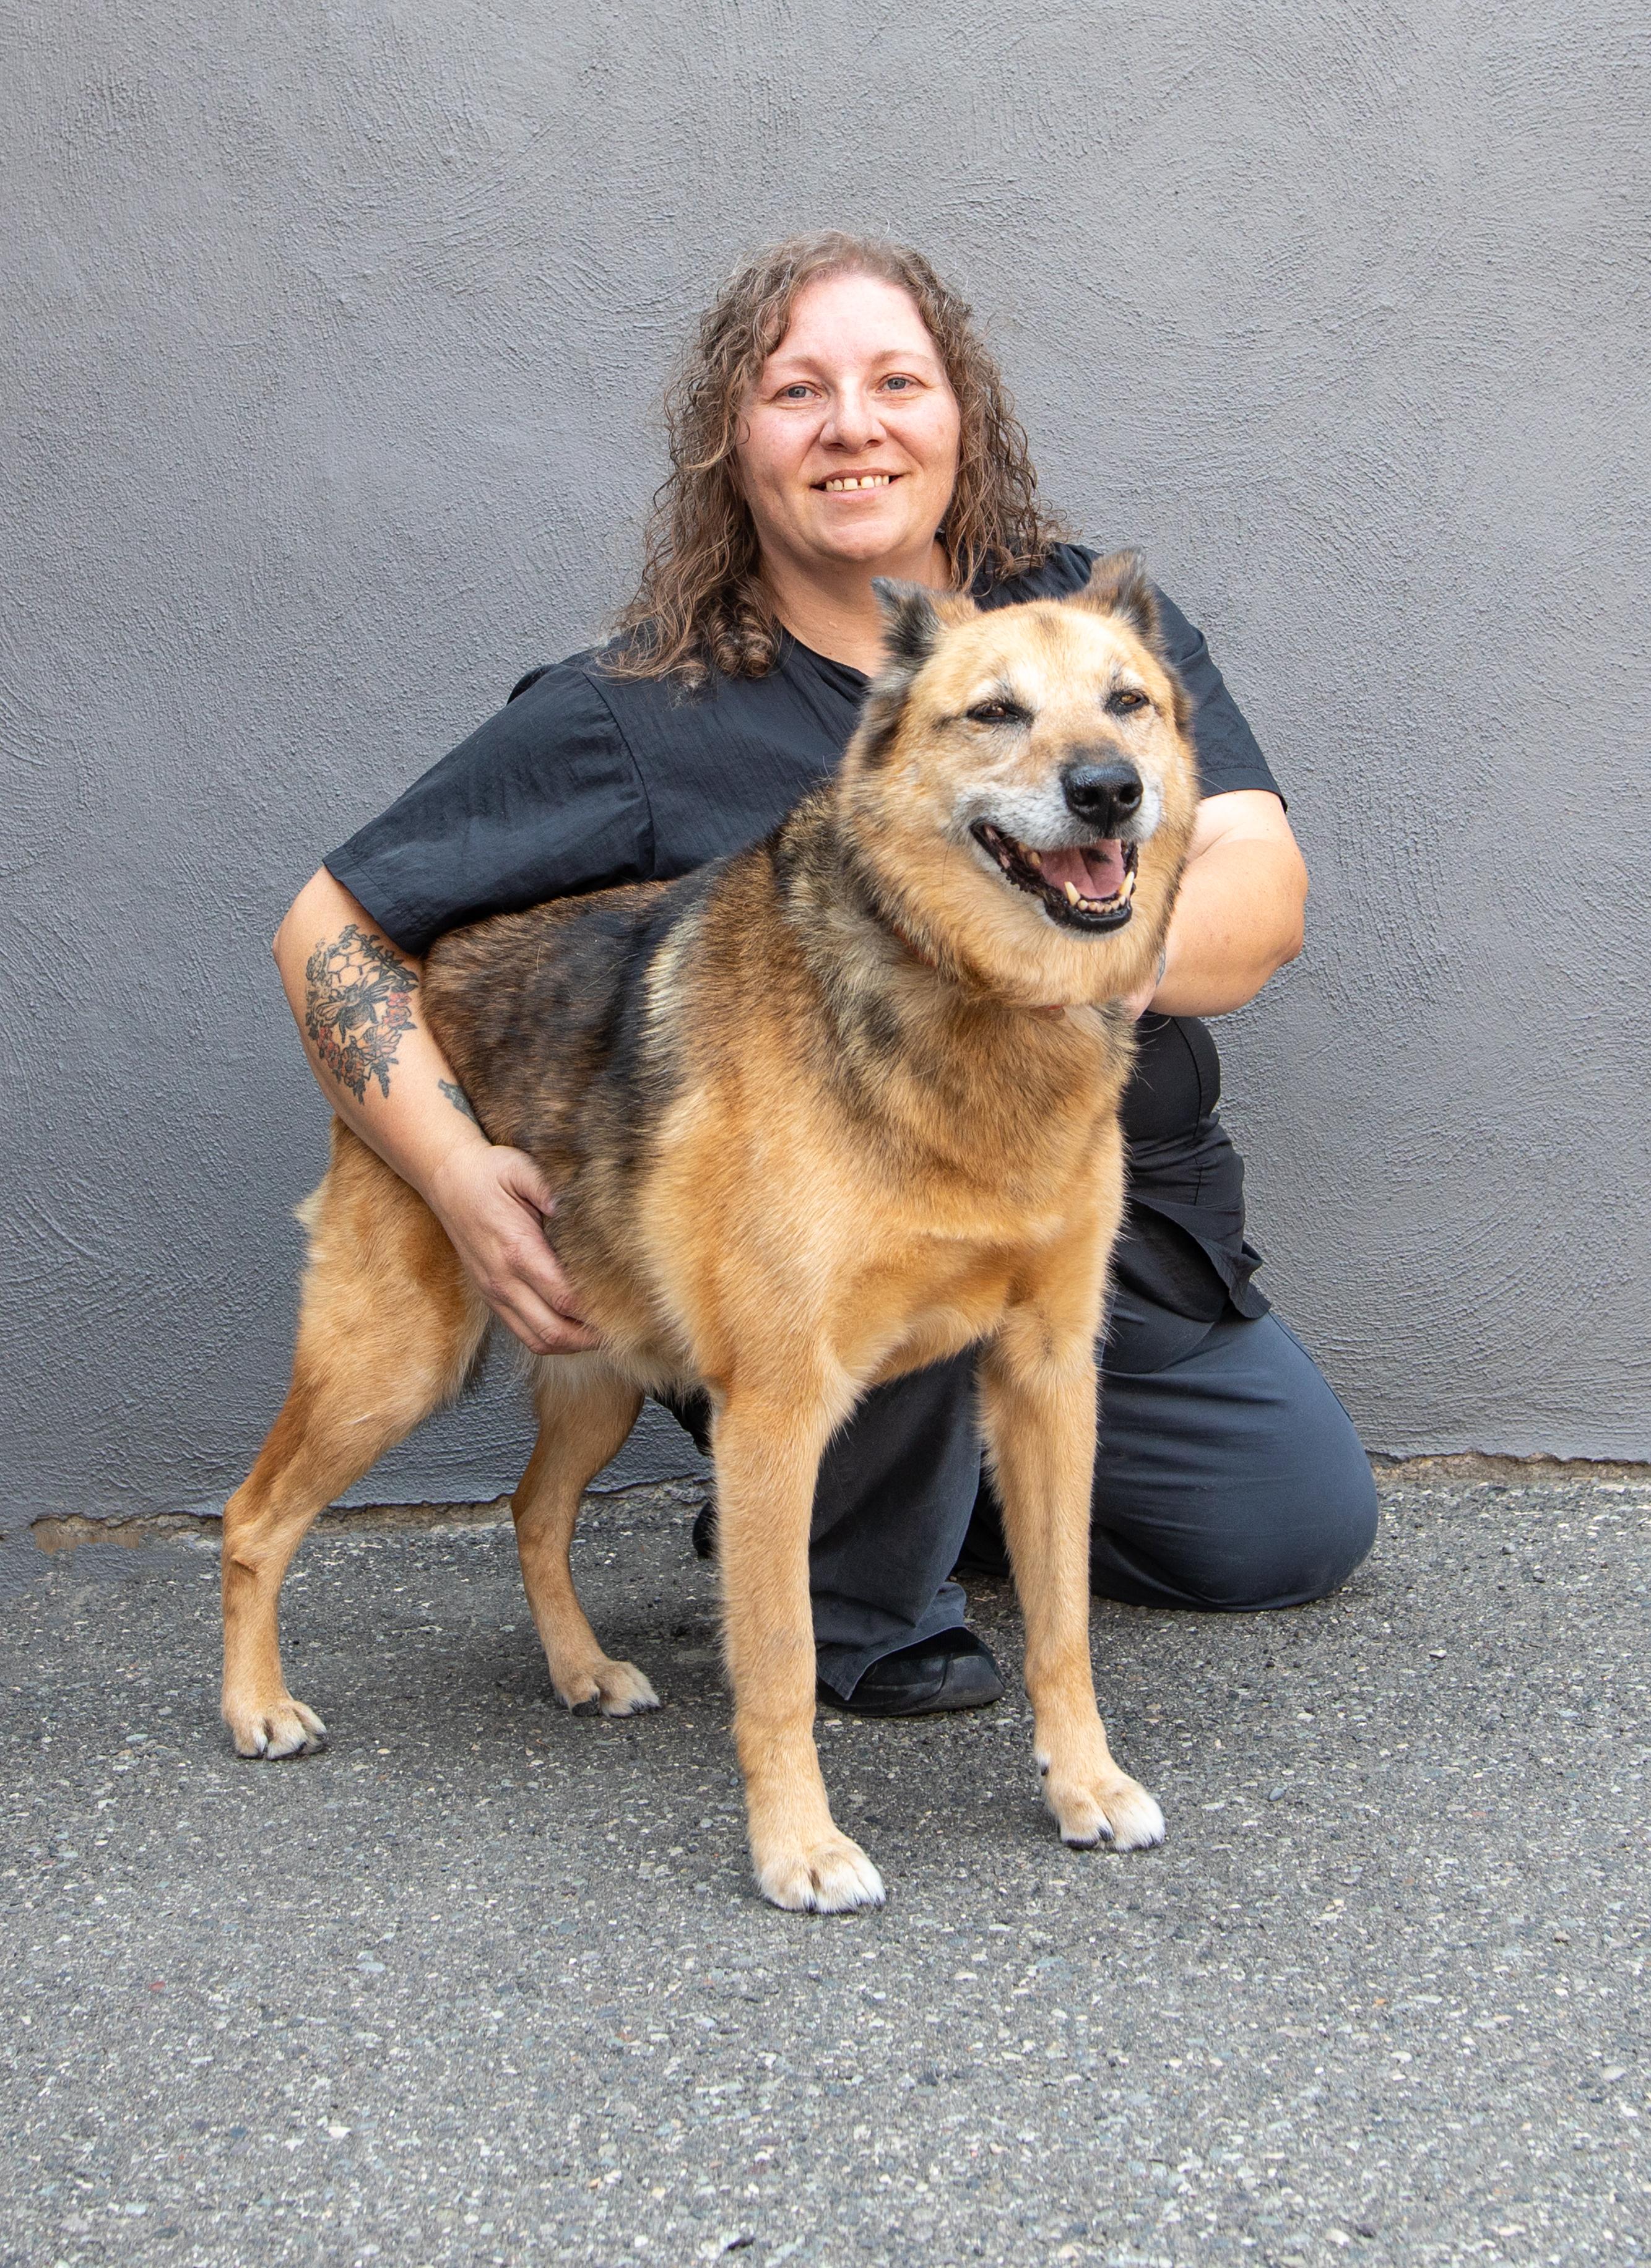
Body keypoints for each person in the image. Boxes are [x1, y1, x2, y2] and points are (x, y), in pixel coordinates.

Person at [273, 232, 1377, 1720]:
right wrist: (461, 1175)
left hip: (1106, 1194)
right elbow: (327, 929)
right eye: (798, 390)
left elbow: (1262, 893)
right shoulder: (634, 707)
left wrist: (1051, 964)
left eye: (895, 381)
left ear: (957, 415)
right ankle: (838, 1558)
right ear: (732, 444)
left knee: (1290, 1525)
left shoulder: (1086, 632)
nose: (852, 423)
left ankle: (938, 1495)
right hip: (810, 1196)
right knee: (855, 1256)